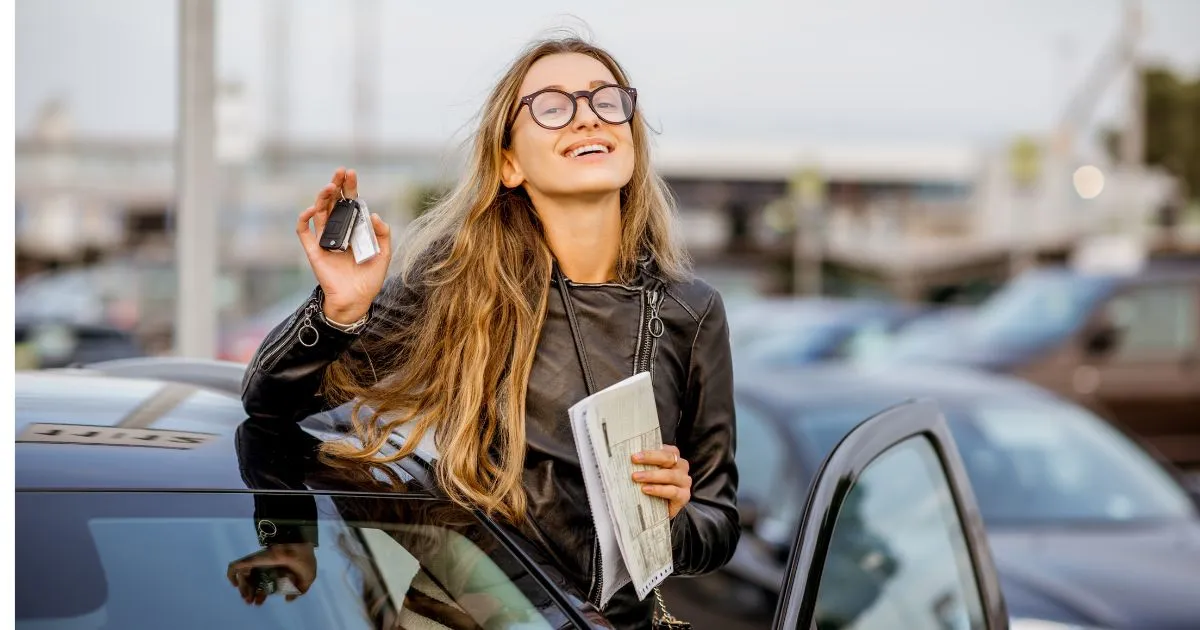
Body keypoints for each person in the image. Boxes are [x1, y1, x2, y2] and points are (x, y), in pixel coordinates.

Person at [241, 35, 739, 628]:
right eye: (553, 107)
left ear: (630, 136)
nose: (586, 116)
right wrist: (339, 308)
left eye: (607, 100)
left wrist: (673, 522)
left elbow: (718, 523)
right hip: (467, 613)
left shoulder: (692, 310)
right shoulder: (453, 288)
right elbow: (268, 405)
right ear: (509, 164)